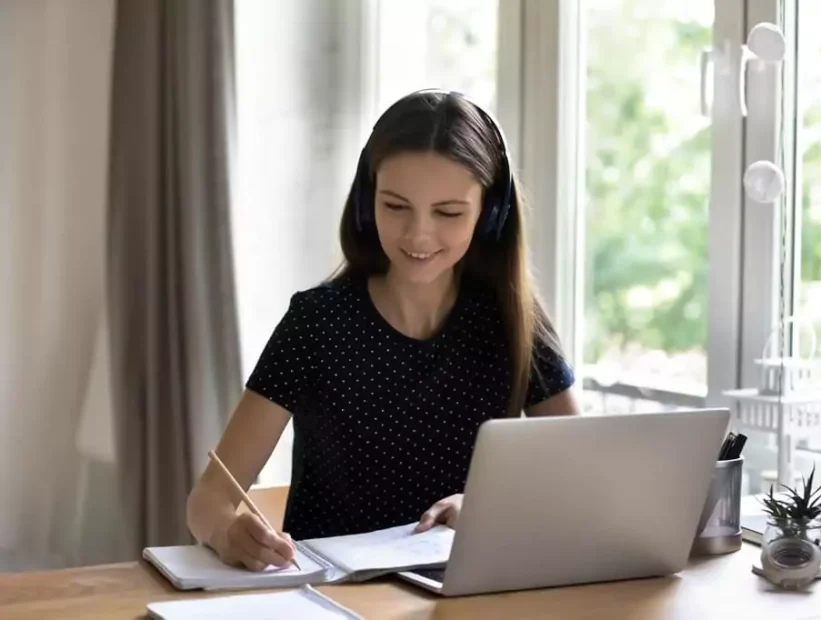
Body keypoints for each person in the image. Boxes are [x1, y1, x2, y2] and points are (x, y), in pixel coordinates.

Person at [186, 89, 580, 572]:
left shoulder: (515, 321)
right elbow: (208, 498)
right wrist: (227, 533)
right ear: (366, 201)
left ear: (491, 214)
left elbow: (576, 479)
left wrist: (491, 509)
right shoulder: (316, 322)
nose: (418, 235)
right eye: (395, 206)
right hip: (336, 600)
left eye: (448, 213)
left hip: (461, 596)